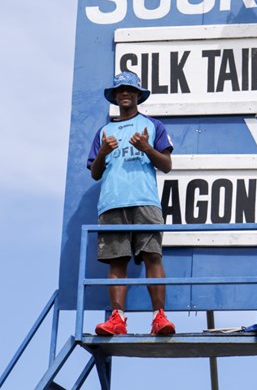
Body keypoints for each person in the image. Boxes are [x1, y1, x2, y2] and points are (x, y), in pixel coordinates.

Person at [87, 71, 176, 335]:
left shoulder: (153, 126)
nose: (124, 93)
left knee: (152, 256)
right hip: (112, 203)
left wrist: (148, 148)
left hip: (145, 201)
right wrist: (103, 152)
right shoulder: (104, 132)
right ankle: (117, 319)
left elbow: (167, 166)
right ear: (114, 96)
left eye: (129, 89)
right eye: (119, 90)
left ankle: (159, 317)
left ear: (138, 94)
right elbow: (95, 173)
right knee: (117, 262)